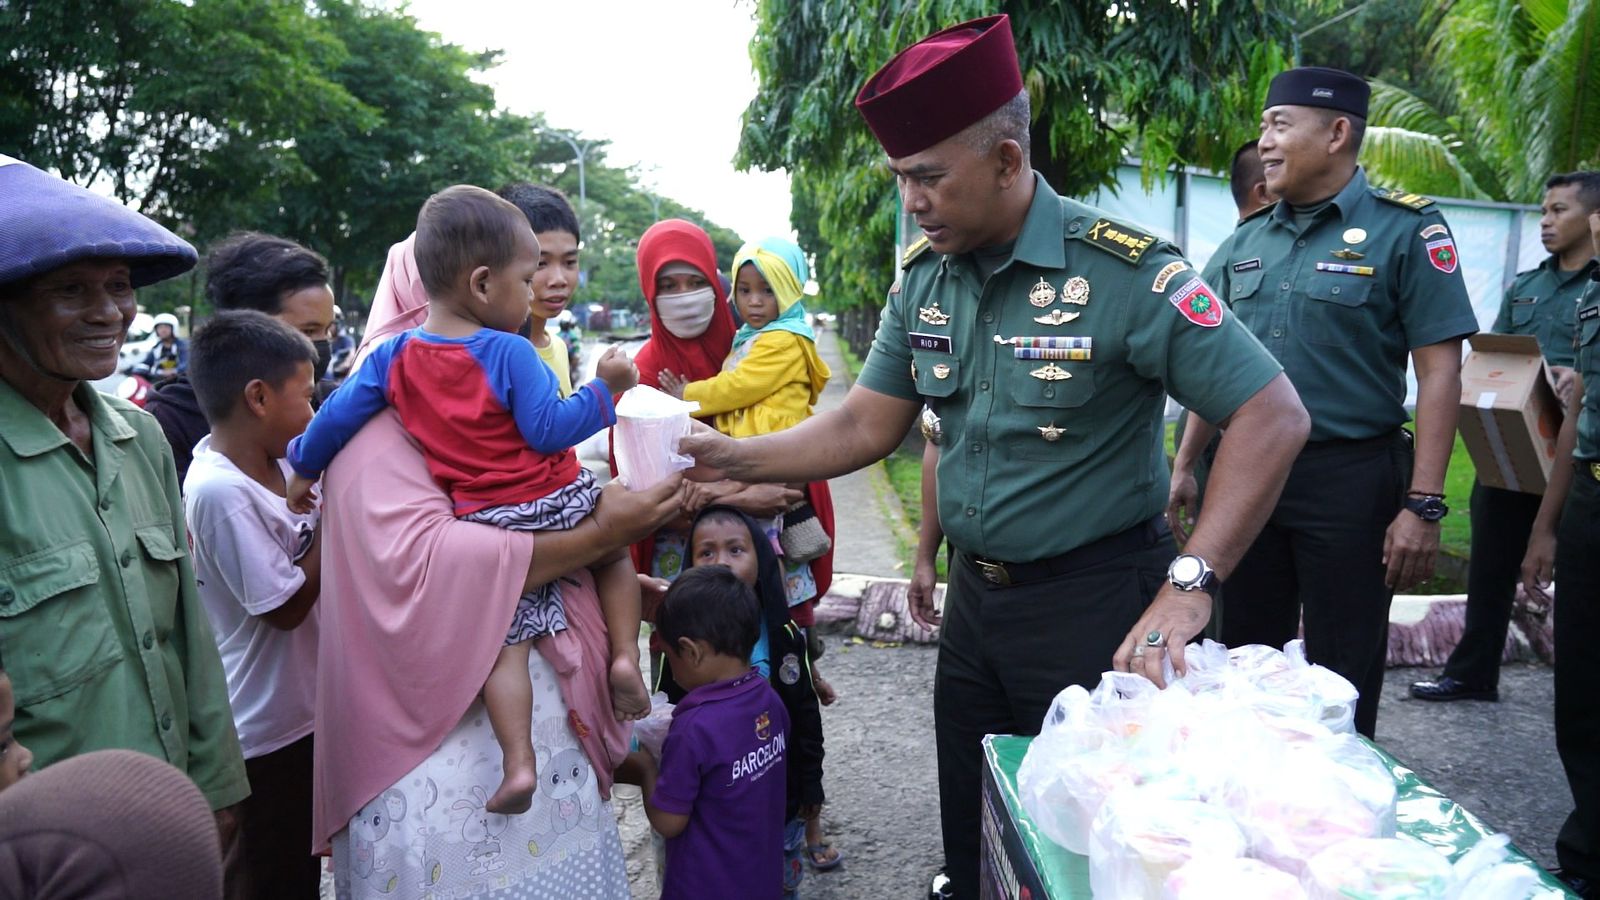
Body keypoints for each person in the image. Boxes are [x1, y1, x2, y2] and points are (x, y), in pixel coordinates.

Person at [679, 16, 1309, 897]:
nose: (911, 201)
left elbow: (1271, 413)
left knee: (1095, 852)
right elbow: (867, 422)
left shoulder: (1123, 272)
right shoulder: (927, 277)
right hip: (978, 613)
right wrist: (731, 460)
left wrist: (1191, 583)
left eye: (928, 178)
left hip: (1101, 612)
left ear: (1008, 161)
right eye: (902, 178)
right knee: (978, 840)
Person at [312, 233, 684, 897]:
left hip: (532, 743)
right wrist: (602, 536)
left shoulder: (444, 388)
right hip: (436, 762)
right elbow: (438, 569)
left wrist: (593, 579)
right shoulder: (373, 431)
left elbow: (513, 515)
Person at [287, 185, 646, 815]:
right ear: (483, 284)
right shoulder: (510, 350)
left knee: (501, 643)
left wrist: (302, 470)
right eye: (528, 278)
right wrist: (606, 390)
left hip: (482, 518)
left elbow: (334, 417)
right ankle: (623, 657)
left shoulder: (393, 357)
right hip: (550, 499)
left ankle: (517, 762)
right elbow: (550, 430)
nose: (535, 292)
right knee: (612, 551)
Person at [1171, 67, 1479, 739]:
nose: (1267, 142)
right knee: (1243, 656)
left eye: (1280, 125)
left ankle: (1343, 817)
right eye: (1264, 128)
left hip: (1350, 480)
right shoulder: (1245, 243)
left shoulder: (1408, 231)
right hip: (1247, 472)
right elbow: (1210, 368)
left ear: (1338, 133)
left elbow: (1440, 373)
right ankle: (1251, 802)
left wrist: (1424, 503)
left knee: (1343, 665)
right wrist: (1185, 466)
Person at [0, 155, 249, 848]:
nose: (109, 312)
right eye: (71, 290)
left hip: (169, 810)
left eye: (117, 286)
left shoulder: (136, 436)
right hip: (47, 848)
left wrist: (217, 786)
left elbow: (188, 632)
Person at [1413, 171, 1600, 703]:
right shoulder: (1526, 286)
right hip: (1515, 450)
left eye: (1559, 211)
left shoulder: (1597, 286)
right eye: (1543, 211)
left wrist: (1569, 376)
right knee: (1490, 564)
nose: (1545, 221)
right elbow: (1495, 351)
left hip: (1576, 451)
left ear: (1592, 218)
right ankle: (1472, 673)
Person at [623, 220, 836, 631]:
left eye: (695, 281)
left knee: (779, 653)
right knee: (695, 662)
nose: (683, 297)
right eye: (668, 286)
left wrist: (716, 485)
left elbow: (790, 468)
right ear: (649, 291)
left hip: (774, 537)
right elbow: (643, 491)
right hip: (683, 557)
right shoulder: (643, 374)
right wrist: (741, 497)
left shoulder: (747, 345)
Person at [184, 311, 324, 897]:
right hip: (265, 732)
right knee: (269, 875)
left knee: (300, 867)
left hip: (305, 711)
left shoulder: (281, 462)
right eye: (307, 397)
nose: (314, 415)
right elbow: (284, 607)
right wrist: (343, 517)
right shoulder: (220, 490)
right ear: (259, 397)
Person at [677, 506, 826, 894]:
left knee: (779, 878)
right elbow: (671, 716)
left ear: (760, 560)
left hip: (778, 794)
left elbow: (805, 714)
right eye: (706, 553)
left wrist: (810, 785)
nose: (721, 563)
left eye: (735, 550)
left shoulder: (783, 635)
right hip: (714, 804)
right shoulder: (681, 644)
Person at [625, 565, 790, 900]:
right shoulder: (769, 701)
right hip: (761, 877)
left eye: (670, 657)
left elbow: (670, 822)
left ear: (692, 652)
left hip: (704, 885)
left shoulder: (693, 728)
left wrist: (644, 769)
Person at [1521, 210, 1600, 900]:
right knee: (1579, 692)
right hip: (1591, 507)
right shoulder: (1592, 296)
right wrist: (1546, 526)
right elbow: (1579, 419)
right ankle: (1585, 853)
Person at [145, 231, 337, 484]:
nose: (320, 347)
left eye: (328, 331)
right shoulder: (169, 422)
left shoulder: (333, 405)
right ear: (244, 325)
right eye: (307, 332)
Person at [1167, 139, 1280, 547]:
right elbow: (1209, 373)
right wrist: (1186, 462)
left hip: (1239, 432)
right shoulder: (1232, 257)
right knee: (1222, 563)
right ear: (1264, 192)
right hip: (1219, 435)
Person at [497, 182, 584, 395]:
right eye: (540, 264)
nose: (559, 279)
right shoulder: (494, 359)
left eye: (569, 262)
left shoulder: (560, 348)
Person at [134, 311, 188, 381]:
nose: (163, 330)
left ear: (173, 328)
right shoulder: (156, 348)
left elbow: (186, 364)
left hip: (178, 382)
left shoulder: (182, 347)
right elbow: (145, 364)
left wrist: (174, 371)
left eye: (166, 327)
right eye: (160, 327)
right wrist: (133, 369)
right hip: (159, 381)